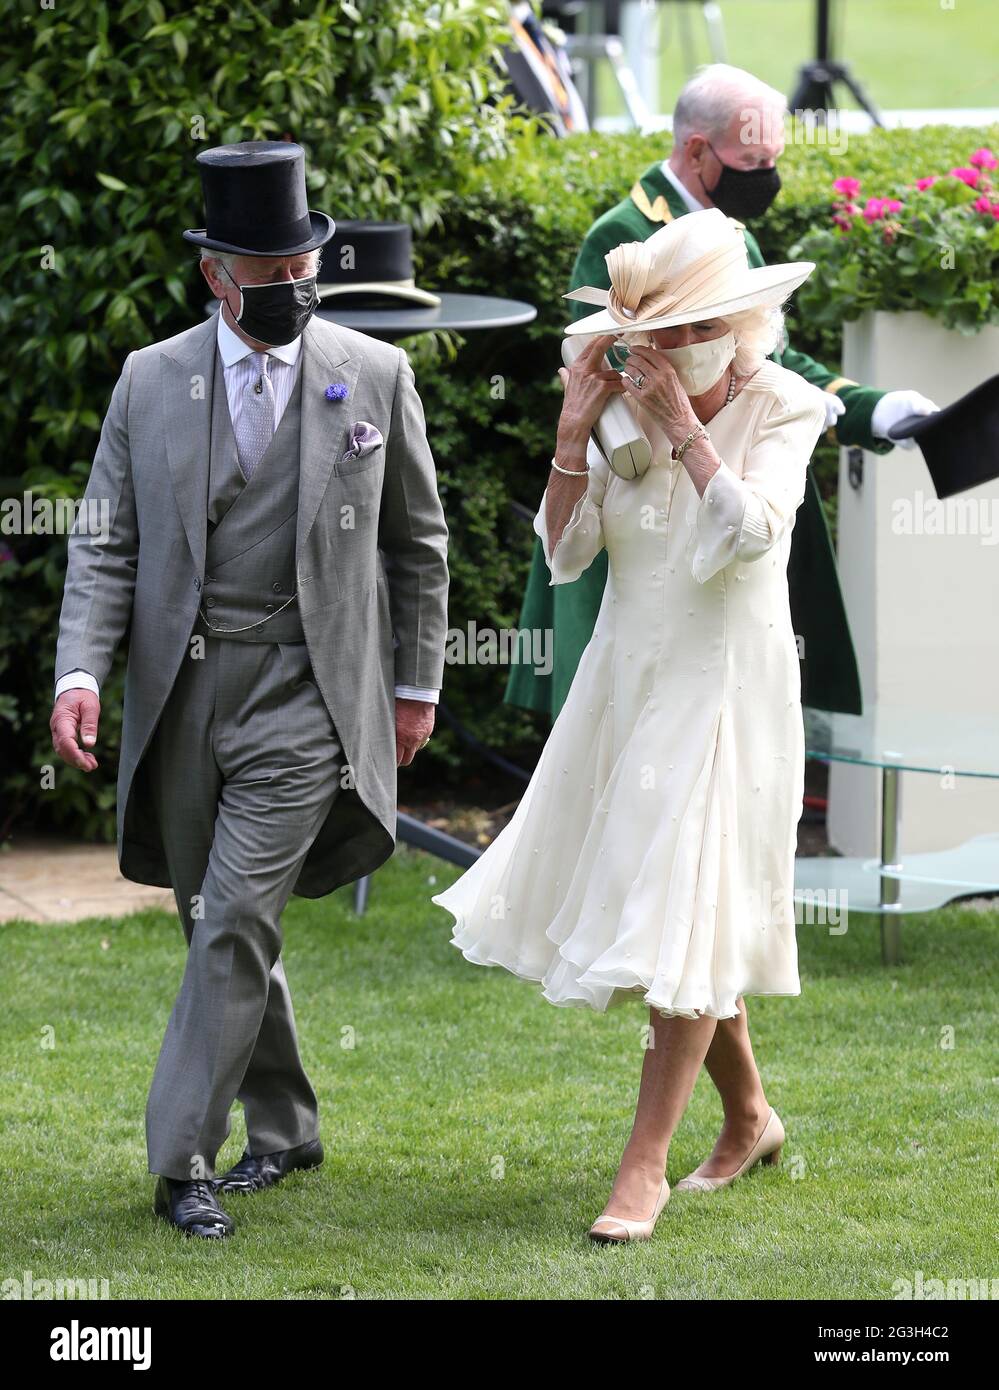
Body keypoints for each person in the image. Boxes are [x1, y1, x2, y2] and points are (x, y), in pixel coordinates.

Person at [49, 141, 449, 1238]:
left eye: (303, 262)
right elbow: (104, 543)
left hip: (308, 696)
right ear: (217, 276)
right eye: (268, 271)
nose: (292, 286)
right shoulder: (148, 378)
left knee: (231, 915)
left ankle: (184, 1158)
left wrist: (416, 682)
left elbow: (418, 544)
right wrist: (80, 668)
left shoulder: (372, 374)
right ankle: (289, 1127)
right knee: (214, 921)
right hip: (182, 696)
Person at [433, 208, 826, 1242]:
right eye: (658, 332)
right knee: (679, 904)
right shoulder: (619, 412)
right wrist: (576, 434)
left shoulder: (788, 404)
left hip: (728, 679)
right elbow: (566, 555)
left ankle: (642, 1167)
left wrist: (689, 434)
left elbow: (751, 534)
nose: (672, 350)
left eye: (694, 328)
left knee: (678, 892)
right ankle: (748, 1117)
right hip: (629, 674)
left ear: (737, 324)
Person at [504, 62, 938, 724]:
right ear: (697, 149)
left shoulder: (728, 225)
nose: (764, 174)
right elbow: (619, 366)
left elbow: (768, 353)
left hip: (729, 479)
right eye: (750, 158)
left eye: (772, 158)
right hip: (648, 489)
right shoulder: (624, 232)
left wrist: (864, 406)